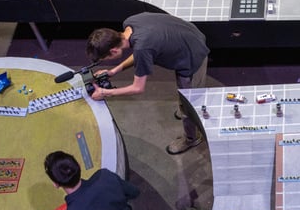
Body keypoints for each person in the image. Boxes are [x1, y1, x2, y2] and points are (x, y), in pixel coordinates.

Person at [86, 12, 209, 154]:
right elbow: (141, 52)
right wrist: (113, 71)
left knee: (189, 104)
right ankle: (185, 105)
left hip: (193, 54)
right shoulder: (130, 22)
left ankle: (192, 138)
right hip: (189, 35)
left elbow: (137, 88)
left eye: (106, 58)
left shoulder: (142, 47)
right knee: (185, 97)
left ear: (113, 51)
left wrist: (105, 93)